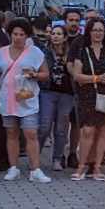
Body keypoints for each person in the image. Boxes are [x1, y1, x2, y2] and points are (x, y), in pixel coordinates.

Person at [0, 17, 50, 181]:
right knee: (11, 132)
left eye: (22, 34)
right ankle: (13, 167)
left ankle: (35, 169)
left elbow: (45, 74)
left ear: (27, 36)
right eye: (15, 34)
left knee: (31, 132)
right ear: (10, 34)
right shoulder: (2, 52)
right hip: (7, 99)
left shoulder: (35, 52)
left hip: (27, 98)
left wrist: (34, 75)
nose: (18, 37)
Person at [71, 14, 105, 179]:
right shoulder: (83, 51)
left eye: (101, 30)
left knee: (104, 131)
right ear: (89, 32)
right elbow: (77, 75)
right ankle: (81, 166)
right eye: (95, 30)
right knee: (87, 131)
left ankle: (97, 167)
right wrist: (97, 78)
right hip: (88, 95)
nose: (98, 33)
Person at [38, 24, 77, 170]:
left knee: (61, 128)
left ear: (65, 37)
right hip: (47, 91)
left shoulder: (71, 53)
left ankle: (57, 158)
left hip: (66, 93)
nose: (55, 36)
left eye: (59, 34)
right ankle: (35, 155)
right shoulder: (44, 52)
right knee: (44, 126)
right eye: (54, 33)